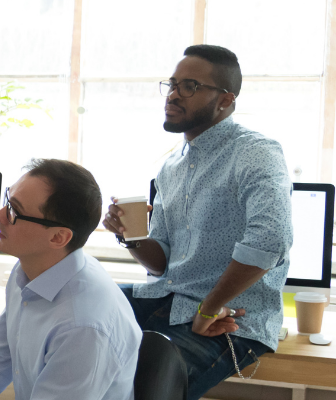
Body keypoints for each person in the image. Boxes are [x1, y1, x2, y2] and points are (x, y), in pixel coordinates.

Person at [102, 44, 292, 400]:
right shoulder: (170, 166)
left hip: (230, 318)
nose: (173, 95)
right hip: (167, 297)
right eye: (172, 84)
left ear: (225, 100)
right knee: (81, 306)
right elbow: (162, 263)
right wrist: (130, 236)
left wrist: (207, 307)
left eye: (189, 86)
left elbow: (271, 239)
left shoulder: (256, 152)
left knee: (139, 388)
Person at [0, 159, 142, 400]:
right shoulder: (27, 272)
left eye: (14, 211)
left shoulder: (83, 326)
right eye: (7, 201)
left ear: (58, 237)